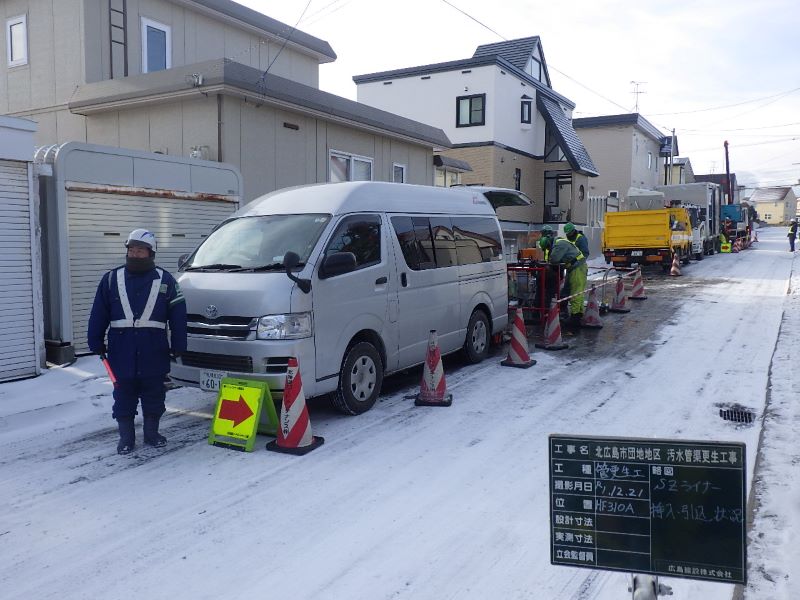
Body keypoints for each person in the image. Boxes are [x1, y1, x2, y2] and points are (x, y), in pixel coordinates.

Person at [88, 229, 187, 455]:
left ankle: (152, 434)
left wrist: (179, 343)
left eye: (139, 250)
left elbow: (179, 314)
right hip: (120, 351)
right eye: (131, 249)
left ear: (150, 253)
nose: (134, 254)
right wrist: (95, 340)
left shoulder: (166, 280)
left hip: (155, 350)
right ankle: (126, 438)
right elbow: (98, 313)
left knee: (154, 394)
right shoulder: (111, 279)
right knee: (123, 395)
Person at [549, 231, 586, 328]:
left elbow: (554, 259)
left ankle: (575, 318)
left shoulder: (559, 244)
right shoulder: (563, 242)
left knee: (576, 292)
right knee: (577, 291)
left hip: (577, 268)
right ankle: (578, 314)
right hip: (575, 267)